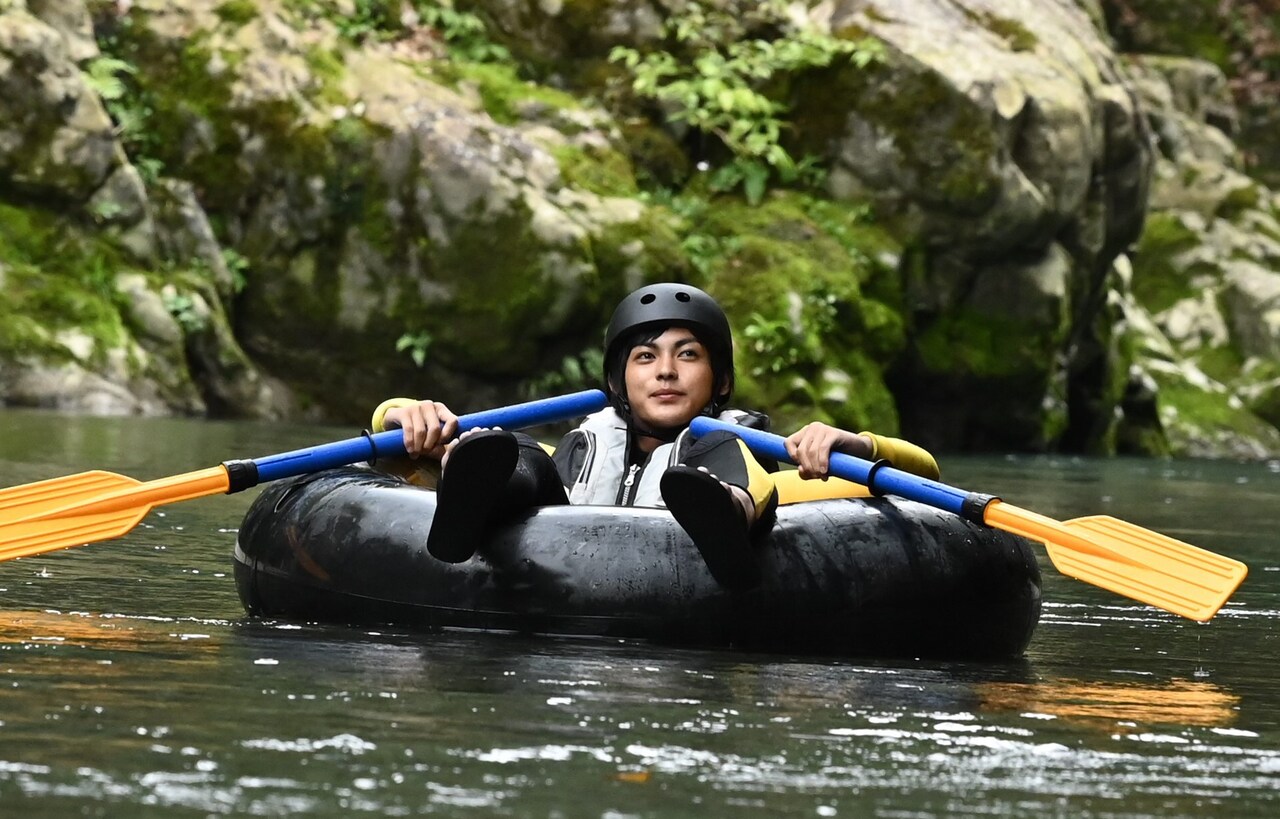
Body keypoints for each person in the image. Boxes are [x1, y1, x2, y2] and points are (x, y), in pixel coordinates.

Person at [370, 283, 940, 589]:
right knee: (509, 450)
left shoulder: (747, 450)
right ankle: (476, 498)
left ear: (719, 380)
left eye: (687, 355)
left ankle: (727, 511)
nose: (665, 371)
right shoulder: (577, 451)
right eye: (646, 357)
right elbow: (396, 454)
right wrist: (402, 415)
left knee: (718, 454)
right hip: (550, 552)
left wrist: (857, 447)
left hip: (716, 535)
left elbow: (923, 479)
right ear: (620, 381)